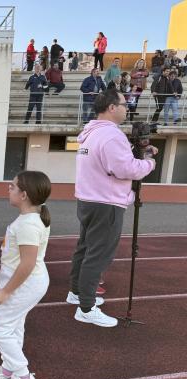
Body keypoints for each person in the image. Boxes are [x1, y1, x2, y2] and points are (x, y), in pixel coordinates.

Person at [67, 90, 157, 327]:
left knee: (85, 249)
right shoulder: (111, 135)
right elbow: (126, 169)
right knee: (97, 255)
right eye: (124, 104)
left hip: (88, 199)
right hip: (105, 203)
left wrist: (140, 156)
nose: (127, 108)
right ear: (111, 107)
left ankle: (77, 292)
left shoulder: (90, 133)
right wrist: (149, 163)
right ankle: (86, 308)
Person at [0, 171, 51, 379]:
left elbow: (28, 263)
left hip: (25, 283)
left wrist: (6, 291)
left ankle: (23, 376)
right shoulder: (29, 219)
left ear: (24, 195)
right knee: (13, 326)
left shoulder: (28, 224)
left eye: (12, 187)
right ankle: (10, 367)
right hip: (27, 281)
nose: (8, 189)